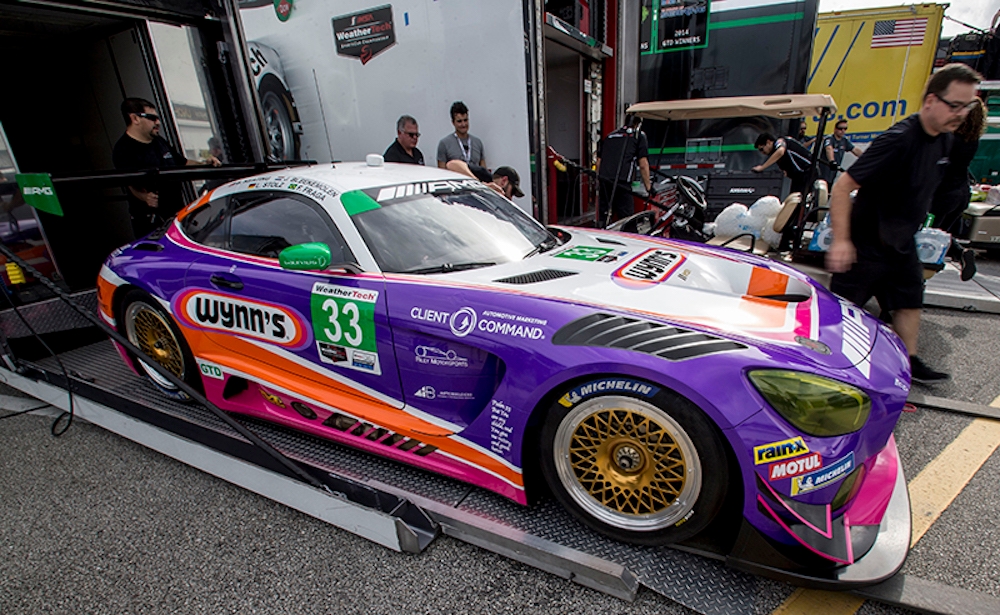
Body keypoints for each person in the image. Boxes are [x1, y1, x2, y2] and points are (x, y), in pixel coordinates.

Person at [826, 63, 982, 384]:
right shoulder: (898, 140)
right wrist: (842, 241)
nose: (961, 114)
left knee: (910, 300)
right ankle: (828, 368)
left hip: (901, 241)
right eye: (955, 105)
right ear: (931, 101)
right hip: (866, 242)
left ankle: (907, 365)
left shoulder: (944, 140)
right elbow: (842, 187)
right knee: (841, 316)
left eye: (966, 107)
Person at [112, 98, 220, 237]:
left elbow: (182, 163)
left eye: (158, 118)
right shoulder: (123, 149)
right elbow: (130, 184)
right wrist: (145, 197)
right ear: (135, 119)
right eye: (152, 118)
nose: (158, 122)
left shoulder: (159, 141)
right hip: (151, 220)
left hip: (177, 213)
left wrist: (205, 164)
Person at [930, 98, 986, 281]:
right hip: (961, 193)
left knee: (927, 235)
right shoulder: (973, 139)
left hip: (943, 193)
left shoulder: (950, 137)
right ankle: (961, 254)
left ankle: (923, 273)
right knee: (941, 233)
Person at [596, 114, 651, 226]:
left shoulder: (610, 136)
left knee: (604, 217)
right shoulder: (638, 136)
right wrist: (649, 188)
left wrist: (599, 182)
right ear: (638, 124)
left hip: (604, 180)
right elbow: (643, 164)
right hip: (622, 182)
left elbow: (599, 162)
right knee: (627, 220)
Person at [753, 132, 812, 197]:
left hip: (807, 171)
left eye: (762, 149)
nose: (762, 152)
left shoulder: (780, 142)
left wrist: (762, 167)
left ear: (768, 142)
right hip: (800, 176)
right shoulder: (777, 151)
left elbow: (780, 151)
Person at [437, 101, 485, 170]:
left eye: (465, 120)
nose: (463, 124)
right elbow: (441, 171)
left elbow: (483, 170)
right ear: (453, 122)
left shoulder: (477, 142)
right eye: (459, 121)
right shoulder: (444, 144)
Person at [446, 160, 524, 200]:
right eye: (512, 192)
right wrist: (480, 185)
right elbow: (452, 164)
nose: (510, 198)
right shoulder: (484, 175)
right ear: (504, 181)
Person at [820, 120, 863, 186]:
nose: (843, 131)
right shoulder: (829, 138)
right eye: (840, 128)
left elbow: (855, 150)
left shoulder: (844, 140)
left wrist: (866, 157)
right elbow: (829, 148)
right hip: (824, 170)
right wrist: (832, 161)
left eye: (845, 129)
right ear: (835, 129)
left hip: (833, 171)